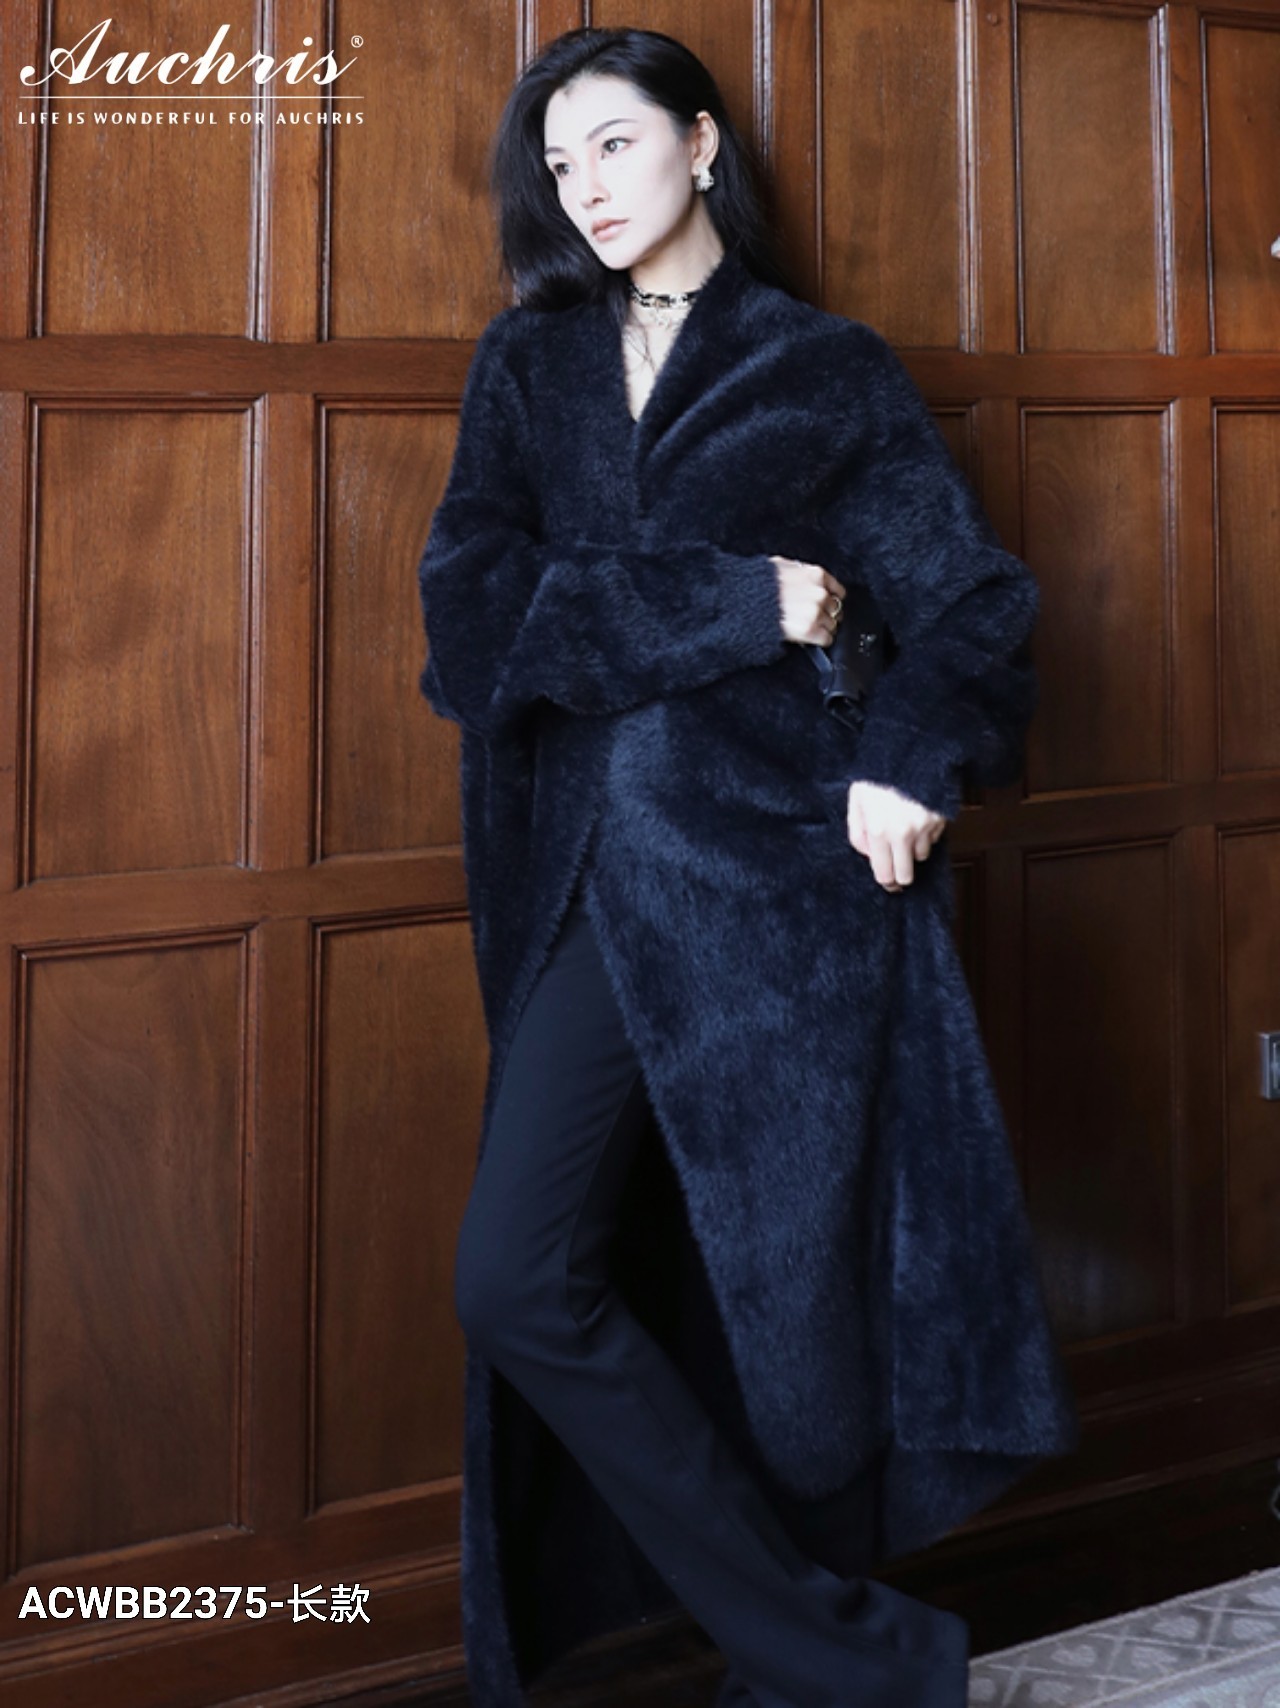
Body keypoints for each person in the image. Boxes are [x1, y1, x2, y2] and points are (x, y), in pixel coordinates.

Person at [416, 25, 1078, 1708]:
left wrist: (906, 761)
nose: (584, 188)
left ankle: (805, 1676)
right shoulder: (530, 367)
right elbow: (472, 620)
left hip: (783, 902)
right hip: (586, 887)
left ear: (703, 144)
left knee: (791, 1318)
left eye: (614, 145)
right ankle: (861, 1655)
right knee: (519, 1277)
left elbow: (974, 608)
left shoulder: (822, 369)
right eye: (558, 164)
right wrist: (739, 599)